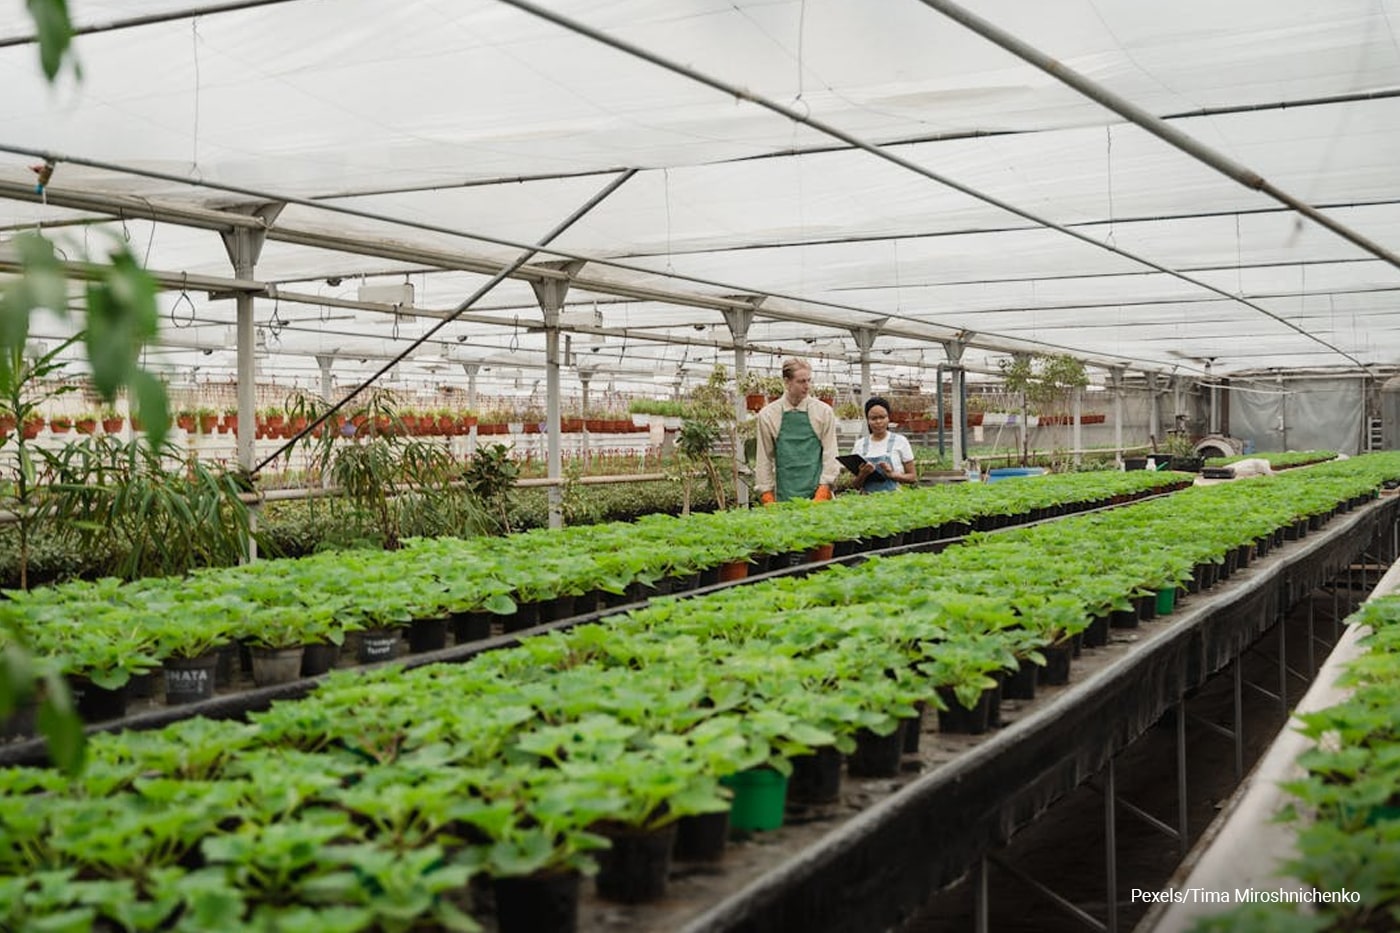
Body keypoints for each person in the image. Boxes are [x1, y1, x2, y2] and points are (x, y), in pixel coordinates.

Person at [755, 357, 840, 503]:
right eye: (801, 381)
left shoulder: (823, 412)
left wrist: (824, 488)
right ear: (787, 382)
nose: (807, 386)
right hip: (784, 493)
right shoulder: (768, 415)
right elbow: (764, 458)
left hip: (817, 493)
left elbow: (830, 453)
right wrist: (766, 494)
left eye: (809, 380)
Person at [851, 396, 917, 493]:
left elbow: (913, 477)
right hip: (866, 502)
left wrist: (892, 475)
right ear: (868, 421)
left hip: (895, 501)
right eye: (873, 418)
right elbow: (855, 485)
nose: (878, 422)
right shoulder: (859, 445)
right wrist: (863, 474)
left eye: (882, 417)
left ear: (888, 418)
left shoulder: (900, 441)